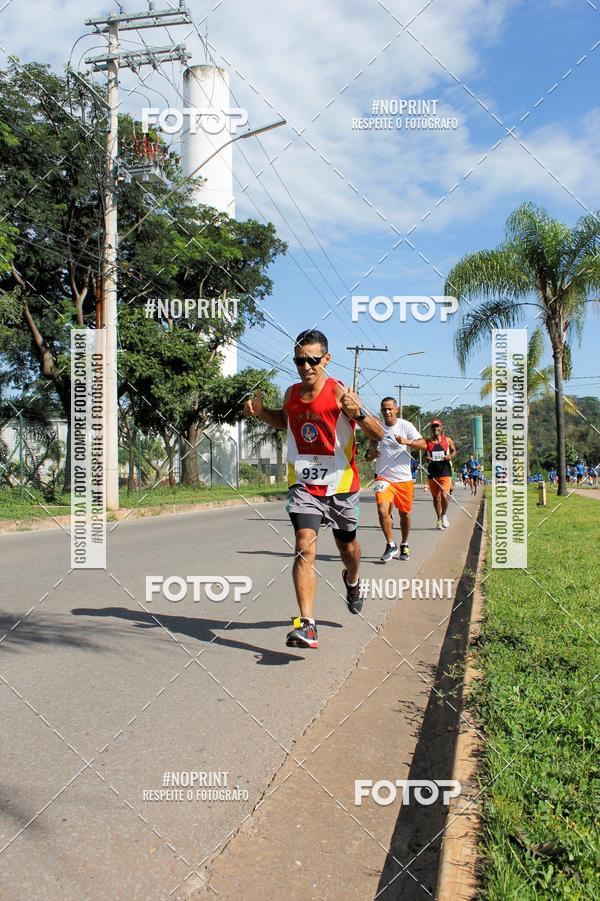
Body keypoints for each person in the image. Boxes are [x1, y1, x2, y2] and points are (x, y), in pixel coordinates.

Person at [243, 329, 384, 650]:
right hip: (303, 483)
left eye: (312, 360)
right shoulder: (291, 393)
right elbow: (286, 419)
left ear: (327, 359)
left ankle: (352, 581)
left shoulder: (338, 393)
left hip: (342, 486)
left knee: (348, 550)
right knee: (304, 544)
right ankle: (306, 624)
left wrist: (358, 412)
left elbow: (378, 433)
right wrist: (262, 413)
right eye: (299, 360)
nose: (305, 366)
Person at [365, 397, 427, 562]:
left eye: (390, 409)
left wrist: (407, 441)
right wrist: (371, 453)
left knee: (404, 515)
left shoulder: (405, 426)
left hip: (403, 479)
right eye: (384, 409)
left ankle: (404, 543)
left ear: (396, 409)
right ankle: (390, 544)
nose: (387, 412)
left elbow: (424, 445)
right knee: (382, 510)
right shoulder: (377, 427)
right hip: (383, 477)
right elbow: (369, 453)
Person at [426, 420, 458, 529]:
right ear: (431, 428)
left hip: (445, 471)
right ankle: (438, 518)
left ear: (441, 428)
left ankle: (444, 515)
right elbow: (424, 456)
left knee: (444, 495)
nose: (435, 428)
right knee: (436, 498)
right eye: (433, 426)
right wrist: (427, 458)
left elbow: (454, 451)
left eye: (437, 426)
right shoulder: (427, 442)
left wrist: (450, 456)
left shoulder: (447, 440)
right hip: (432, 472)